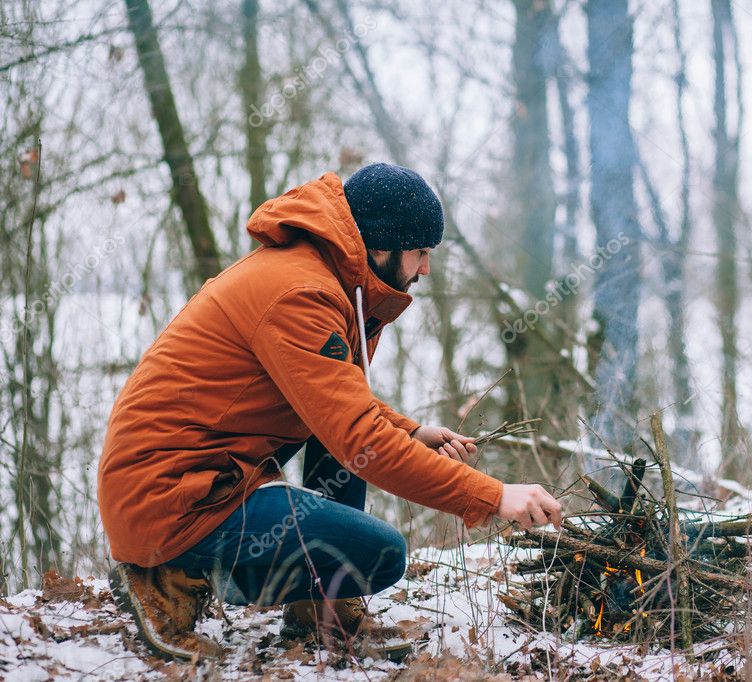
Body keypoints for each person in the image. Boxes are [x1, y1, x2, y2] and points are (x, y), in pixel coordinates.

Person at [98, 163, 562, 660]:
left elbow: (335, 398)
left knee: (337, 440)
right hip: (170, 498)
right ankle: (165, 578)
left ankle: (320, 611)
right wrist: (492, 497)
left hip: (202, 477)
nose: (425, 268)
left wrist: (410, 430)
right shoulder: (302, 293)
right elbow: (360, 438)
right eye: (421, 252)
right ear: (382, 245)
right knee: (379, 553)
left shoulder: (327, 279)